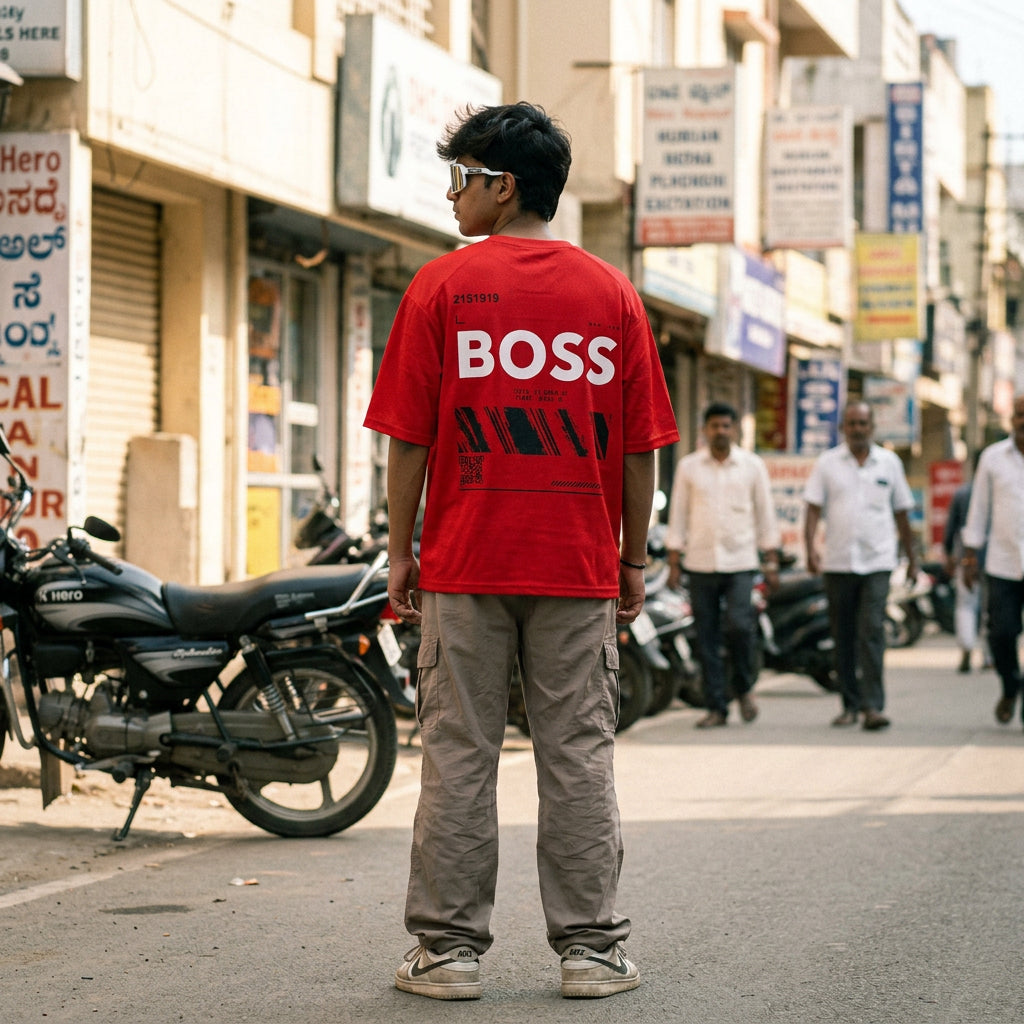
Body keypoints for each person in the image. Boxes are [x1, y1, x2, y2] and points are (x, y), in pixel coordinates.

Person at [363, 102, 678, 1001]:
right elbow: (639, 446)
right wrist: (633, 562)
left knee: (460, 752)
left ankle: (449, 954)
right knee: (577, 751)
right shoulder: (610, 295)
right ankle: (592, 951)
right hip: (577, 568)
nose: (453, 192)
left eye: (461, 175)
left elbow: (408, 441)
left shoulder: (442, 290)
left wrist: (400, 553)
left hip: (464, 565)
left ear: (503, 186)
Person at [664, 401, 781, 728]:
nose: (720, 431)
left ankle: (743, 687)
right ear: (704, 430)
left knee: (740, 627)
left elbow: (765, 514)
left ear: (735, 430)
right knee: (706, 638)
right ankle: (717, 706)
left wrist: (770, 558)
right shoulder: (689, 467)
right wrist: (674, 560)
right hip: (699, 563)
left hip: (741, 562)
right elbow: (678, 514)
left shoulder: (752, 466)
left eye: (726, 426)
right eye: (714, 425)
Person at [803, 401, 917, 730]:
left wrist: (912, 559)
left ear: (872, 428)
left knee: (872, 632)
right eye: (851, 423)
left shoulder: (889, 463)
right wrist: (810, 548)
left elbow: (902, 513)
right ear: (843, 428)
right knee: (844, 636)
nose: (857, 429)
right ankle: (849, 705)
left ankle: (872, 707)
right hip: (839, 562)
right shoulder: (827, 463)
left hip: (878, 562)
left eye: (863, 423)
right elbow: (812, 508)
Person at [961, 394, 1024, 727]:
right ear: (1011, 419)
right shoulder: (993, 458)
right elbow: (979, 508)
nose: (1022, 421)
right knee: (1000, 633)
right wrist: (970, 556)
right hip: (1002, 564)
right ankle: (1011, 684)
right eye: (1018, 415)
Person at [942, 452, 988, 673]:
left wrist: (950, 553)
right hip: (980, 560)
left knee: (967, 606)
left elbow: (951, 530)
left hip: (978, 560)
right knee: (988, 608)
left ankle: (968, 648)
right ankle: (987, 655)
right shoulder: (972, 493)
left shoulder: (963, 493)